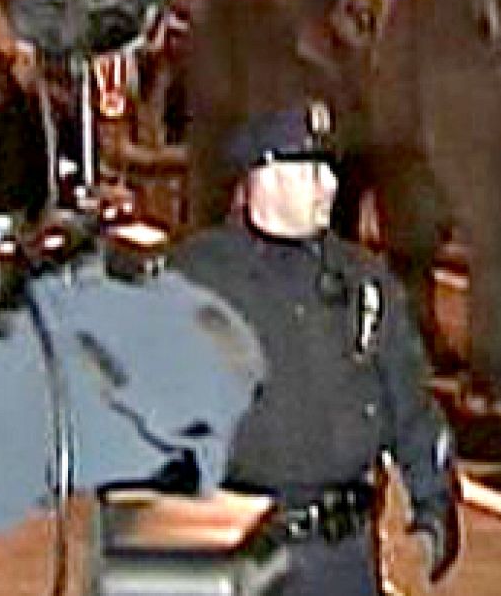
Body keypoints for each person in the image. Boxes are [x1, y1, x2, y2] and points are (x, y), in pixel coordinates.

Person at [172, 100, 460, 595]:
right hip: (235, 553)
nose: (328, 185)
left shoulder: (362, 282)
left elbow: (411, 407)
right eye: (308, 169)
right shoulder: (195, 281)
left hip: (341, 558)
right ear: (261, 176)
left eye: (329, 169)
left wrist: (432, 513)